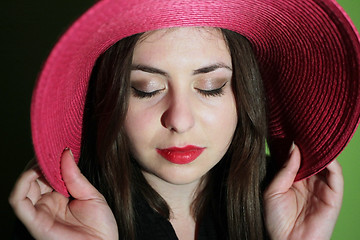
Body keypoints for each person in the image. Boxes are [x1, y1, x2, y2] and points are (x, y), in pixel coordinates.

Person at [9, 0, 360, 240]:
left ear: (244, 95)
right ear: (111, 96)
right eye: (146, 88)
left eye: (210, 86)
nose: (179, 120)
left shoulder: (282, 206)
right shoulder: (56, 223)